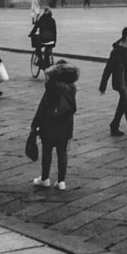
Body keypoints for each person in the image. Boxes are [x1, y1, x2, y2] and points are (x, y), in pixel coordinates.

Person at [31, 62, 79, 190]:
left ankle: (45, 178)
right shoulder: (72, 88)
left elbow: (42, 107)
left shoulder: (52, 88)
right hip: (65, 125)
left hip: (50, 124)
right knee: (62, 151)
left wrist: (35, 125)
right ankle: (61, 181)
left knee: (47, 151)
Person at [100, 26, 127, 140]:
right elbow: (108, 68)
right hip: (121, 81)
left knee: (123, 104)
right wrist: (103, 84)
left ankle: (114, 125)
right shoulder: (117, 51)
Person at [29, 6, 56, 73]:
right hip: (51, 41)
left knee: (38, 47)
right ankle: (47, 62)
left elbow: (34, 29)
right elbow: (55, 32)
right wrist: (54, 41)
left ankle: (40, 59)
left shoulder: (40, 20)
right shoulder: (53, 20)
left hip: (43, 40)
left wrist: (31, 34)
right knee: (48, 49)